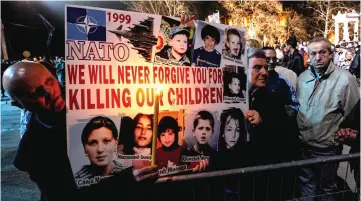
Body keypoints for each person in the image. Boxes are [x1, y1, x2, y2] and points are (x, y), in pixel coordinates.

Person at [3, 62, 158, 201]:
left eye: (50, 81)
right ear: (19, 105)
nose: (50, 92)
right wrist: (127, 180)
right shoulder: (32, 151)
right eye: (36, 92)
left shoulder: (90, 98)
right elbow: (62, 195)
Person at [297, 37, 360, 201]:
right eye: (313, 53)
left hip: (328, 150)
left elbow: (353, 115)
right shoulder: (302, 78)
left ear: (330, 54)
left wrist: (341, 135)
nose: (317, 57)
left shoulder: (345, 80)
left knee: (327, 191)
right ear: (308, 55)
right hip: (304, 147)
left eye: (322, 52)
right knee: (307, 189)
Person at [74, 116, 125, 182]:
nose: (100, 149)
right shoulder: (73, 181)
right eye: (93, 143)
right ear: (84, 147)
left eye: (106, 141)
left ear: (116, 144)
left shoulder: (129, 175)